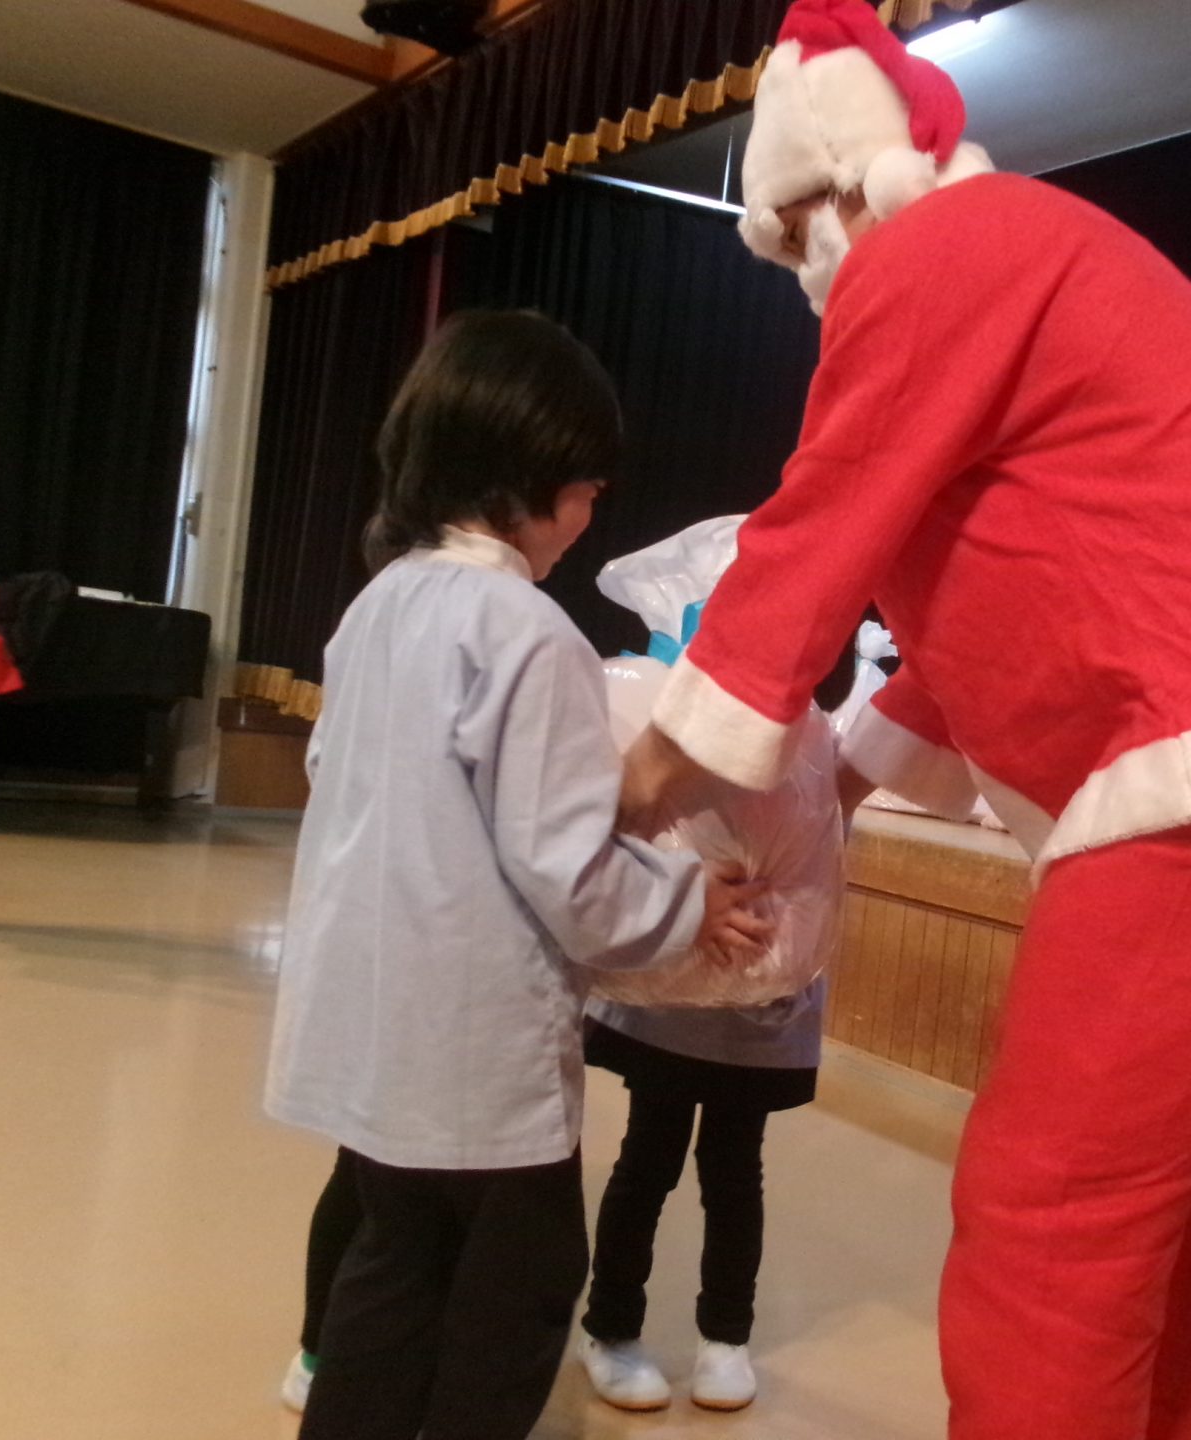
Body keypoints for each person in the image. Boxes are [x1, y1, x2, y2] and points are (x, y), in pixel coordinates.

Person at [616, 5, 1191, 1439]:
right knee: (1186, 1202)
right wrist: (833, 783)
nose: (807, 266)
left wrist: (660, 760)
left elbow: (817, 524)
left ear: (846, 182)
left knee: (1053, 1214)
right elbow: (1010, 590)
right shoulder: (1023, 252)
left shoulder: (942, 252)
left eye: (801, 226)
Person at [263, 309, 771, 1440]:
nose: (587, 517)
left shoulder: (378, 607)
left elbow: (332, 776)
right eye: (584, 490)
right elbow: (566, 867)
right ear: (525, 475)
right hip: (470, 1041)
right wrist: (687, 901)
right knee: (520, 1291)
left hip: (373, 1016)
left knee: (393, 1270)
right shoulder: (526, 630)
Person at [573, 979, 826, 1414]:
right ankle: (610, 1328)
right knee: (649, 1160)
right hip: (673, 992)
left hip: (761, 996)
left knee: (734, 1172)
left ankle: (727, 1336)